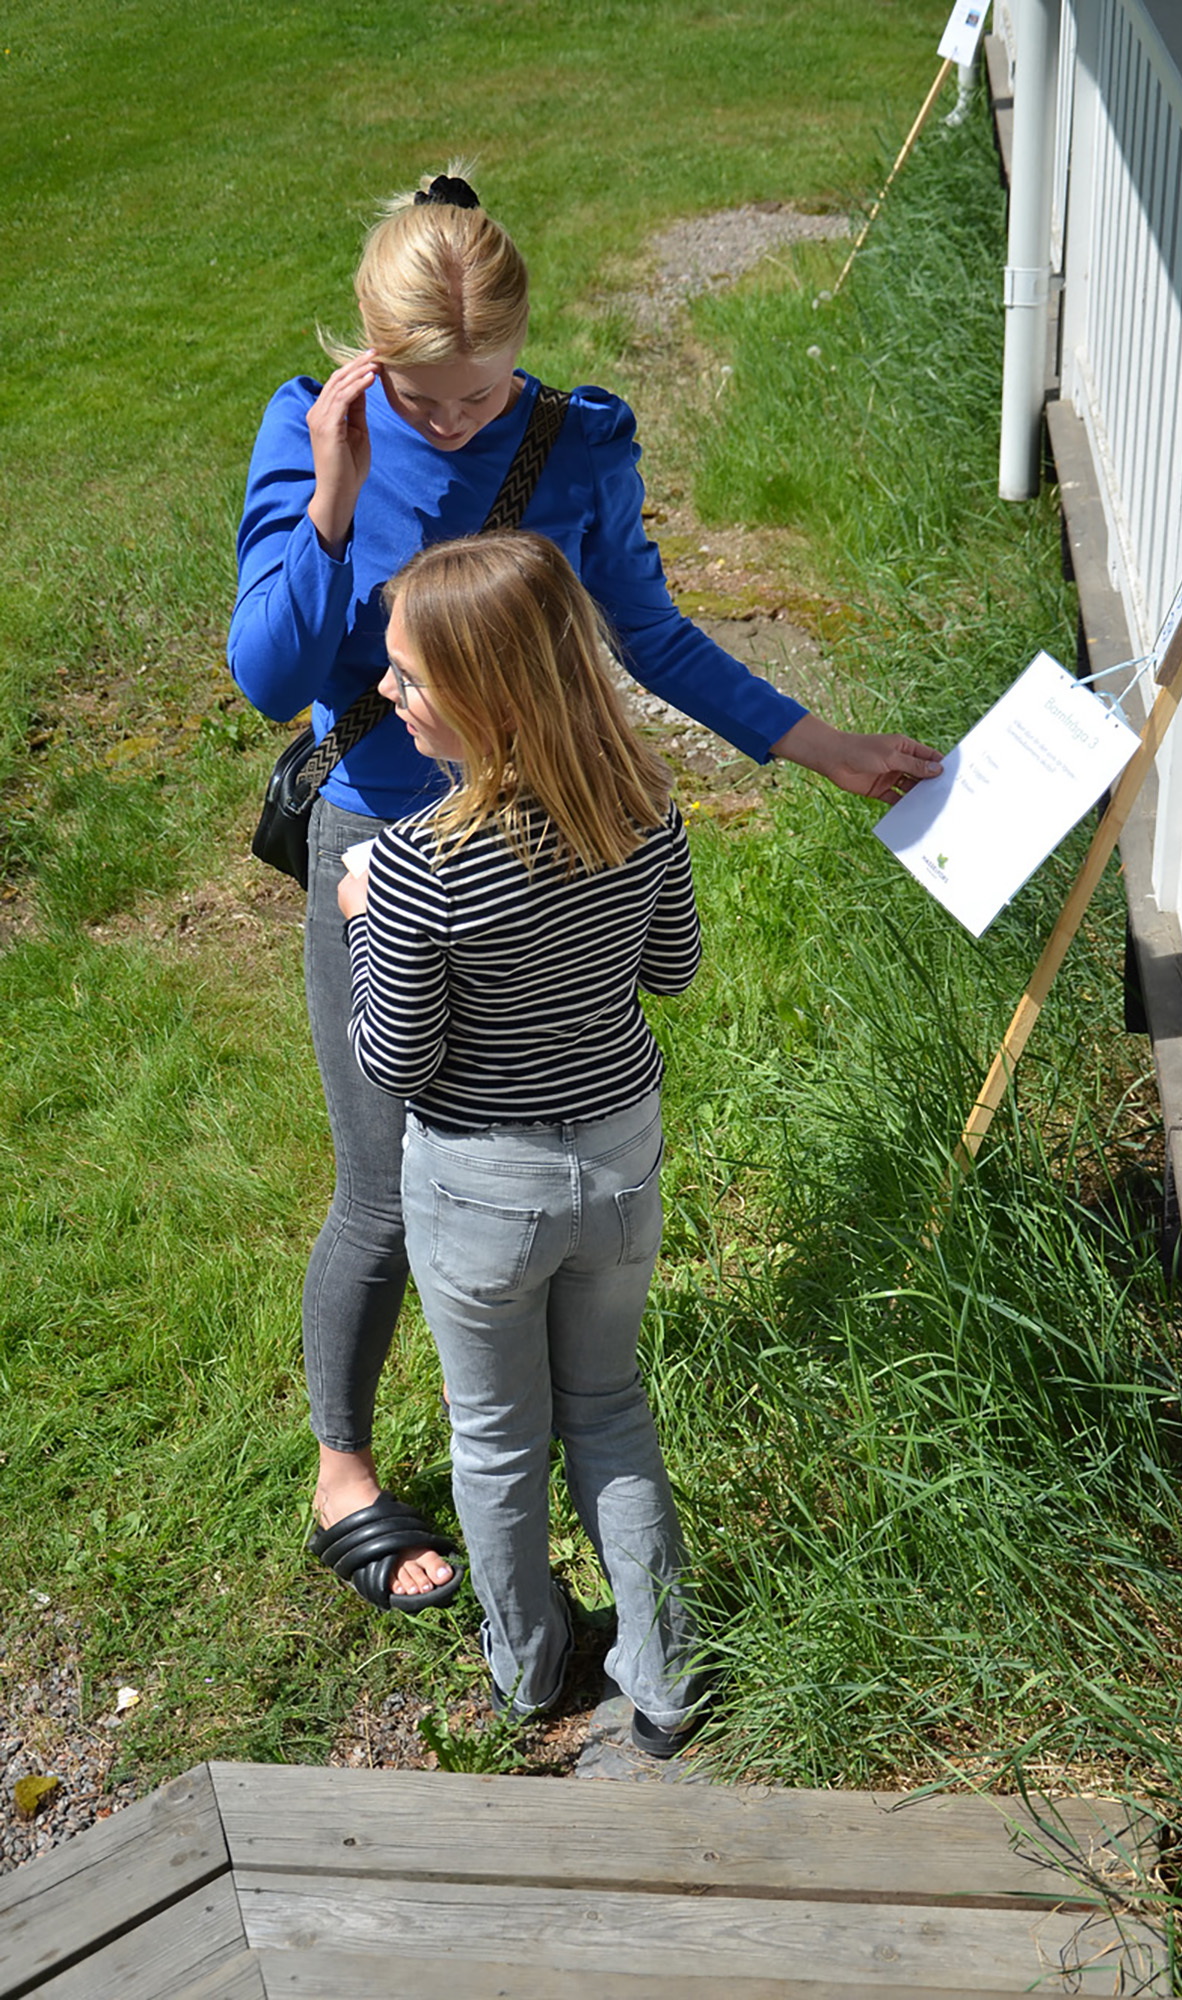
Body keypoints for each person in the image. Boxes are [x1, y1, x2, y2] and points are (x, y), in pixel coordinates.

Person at [228, 165, 942, 1606]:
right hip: (384, 843)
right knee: (383, 1180)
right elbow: (269, 678)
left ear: (519, 351)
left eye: (477, 396)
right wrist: (337, 497)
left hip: (547, 842)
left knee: (539, 1136)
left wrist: (821, 746)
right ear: (369, 354)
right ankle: (344, 1467)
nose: (451, 420)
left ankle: (542, 1410)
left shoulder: (577, 442)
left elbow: (654, 641)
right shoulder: (319, 437)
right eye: (422, 398)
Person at [336, 531, 704, 1750]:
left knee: (496, 1437)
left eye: (408, 675)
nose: (386, 690)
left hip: (481, 1184)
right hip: (617, 1156)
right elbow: (672, 969)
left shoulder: (411, 866)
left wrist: (356, 924)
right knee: (607, 1408)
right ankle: (664, 1681)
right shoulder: (642, 805)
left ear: (487, 695)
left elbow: (395, 1061)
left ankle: (529, 1665)